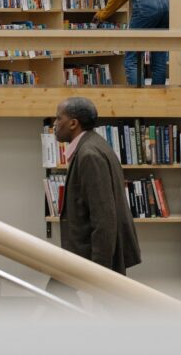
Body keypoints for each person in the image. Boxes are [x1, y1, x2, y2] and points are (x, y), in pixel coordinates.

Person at [53, 97, 141, 274]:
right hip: (85, 256)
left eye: (58, 118)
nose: (55, 124)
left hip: (90, 259)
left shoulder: (89, 155)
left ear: (73, 123)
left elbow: (103, 218)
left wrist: (100, 272)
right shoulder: (93, 144)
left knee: (56, 297)